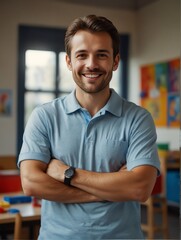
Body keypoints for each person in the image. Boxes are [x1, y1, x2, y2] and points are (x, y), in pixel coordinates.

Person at [18, 15, 160, 239]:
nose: (91, 64)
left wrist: (67, 174)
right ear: (69, 62)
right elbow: (31, 183)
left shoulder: (138, 119)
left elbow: (139, 189)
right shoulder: (43, 116)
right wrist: (107, 191)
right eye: (82, 55)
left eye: (101, 55)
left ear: (115, 61)